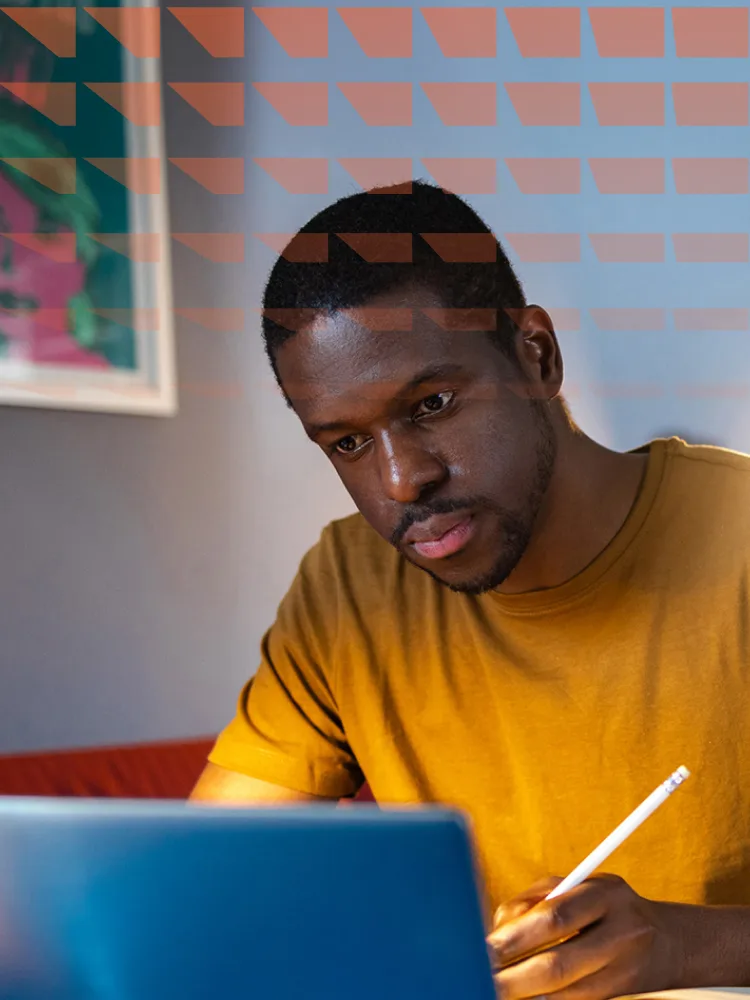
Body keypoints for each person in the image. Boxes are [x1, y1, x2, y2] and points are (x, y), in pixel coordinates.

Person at [191, 181, 750, 997]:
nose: (401, 480)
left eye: (434, 403)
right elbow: (207, 880)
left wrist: (693, 945)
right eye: (347, 443)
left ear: (536, 356)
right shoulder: (349, 586)